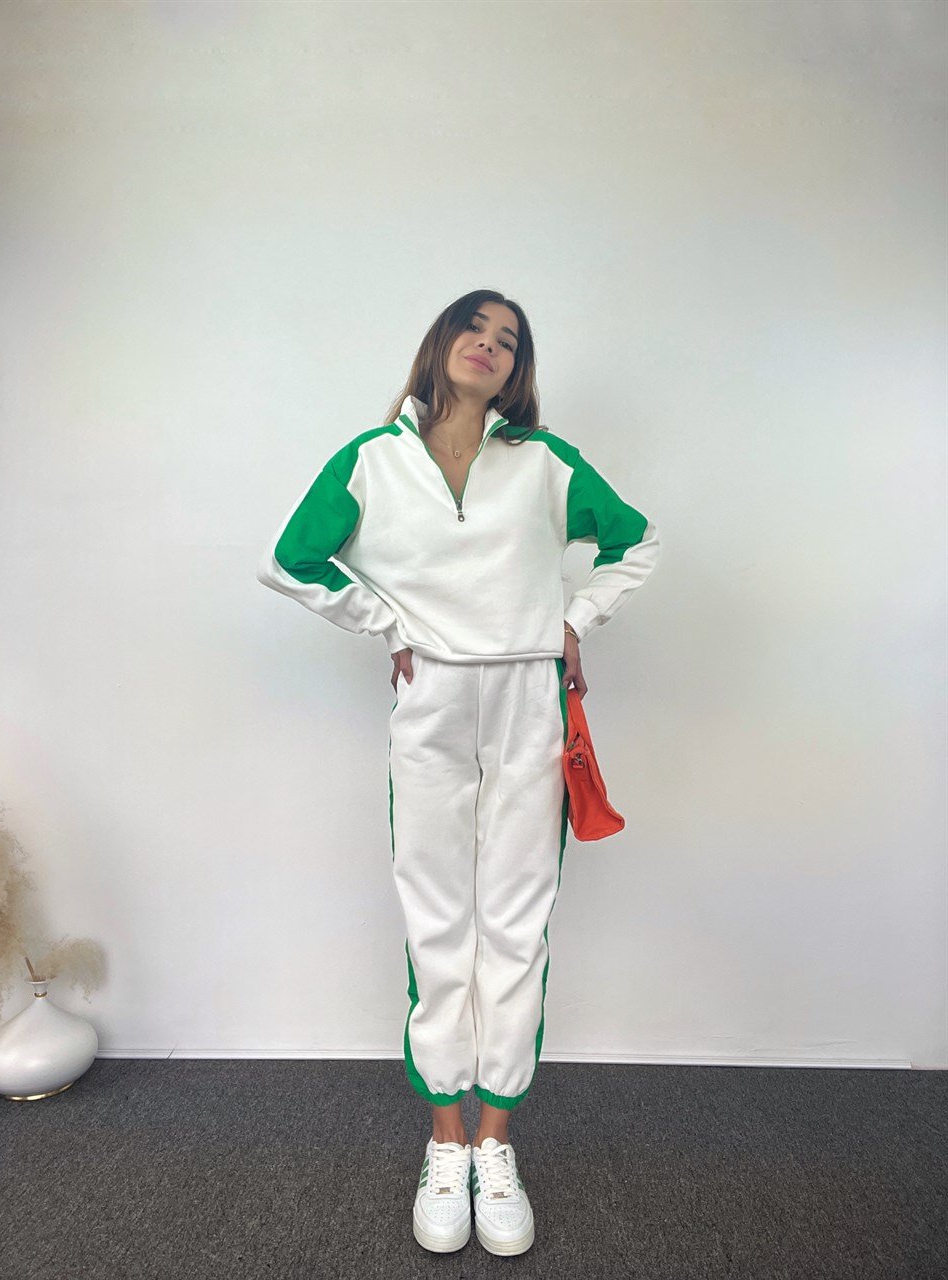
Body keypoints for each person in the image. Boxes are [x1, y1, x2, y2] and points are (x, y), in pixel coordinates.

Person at [256, 289, 660, 1256]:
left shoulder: (545, 463)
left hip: (529, 700)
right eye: (474, 328)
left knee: (516, 922)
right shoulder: (371, 460)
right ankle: (445, 1142)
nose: (488, 345)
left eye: (507, 340)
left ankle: (495, 1144)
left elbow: (636, 541)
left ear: (517, 369)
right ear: (441, 344)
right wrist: (387, 624)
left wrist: (574, 621)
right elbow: (292, 559)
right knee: (438, 919)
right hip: (431, 700)